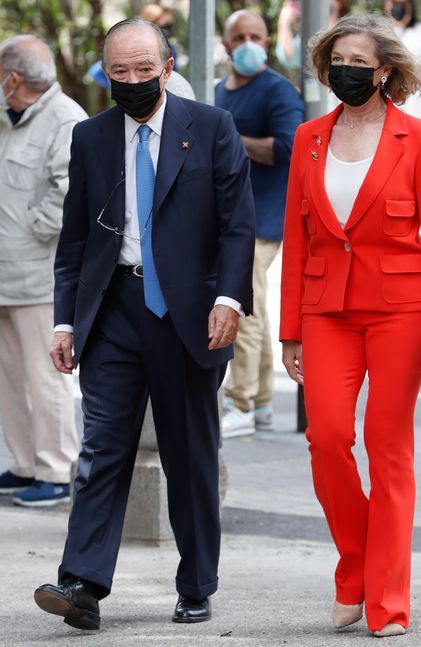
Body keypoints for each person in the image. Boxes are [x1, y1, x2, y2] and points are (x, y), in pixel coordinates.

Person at [33, 18, 255, 630]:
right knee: (102, 449)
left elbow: (238, 226)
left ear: (168, 67)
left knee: (190, 454)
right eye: (118, 72)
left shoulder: (211, 128)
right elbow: (74, 238)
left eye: (143, 69)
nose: (131, 81)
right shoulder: (91, 136)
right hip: (113, 314)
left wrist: (230, 301)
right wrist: (64, 322)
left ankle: (196, 583)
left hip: (192, 317)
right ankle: (81, 583)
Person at [280, 13, 421, 638]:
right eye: (335, 61)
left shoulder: (419, 139)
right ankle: (355, 565)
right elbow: (298, 241)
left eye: (356, 61)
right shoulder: (308, 137)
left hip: (403, 313)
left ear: (384, 69)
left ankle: (387, 600)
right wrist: (290, 331)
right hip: (325, 311)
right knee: (326, 438)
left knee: (388, 448)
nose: (344, 70)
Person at [0, 36, 86, 506]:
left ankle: (54, 470)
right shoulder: (9, 120)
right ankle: (24, 464)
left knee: (45, 375)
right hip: (5, 276)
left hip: (38, 275)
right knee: (11, 378)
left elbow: (69, 194)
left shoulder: (64, 118)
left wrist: (29, 228)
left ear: (13, 77)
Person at [216, 9, 304, 437]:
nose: (248, 42)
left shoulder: (278, 91)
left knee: (240, 306)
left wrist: (229, 138)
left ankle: (241, 403)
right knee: (255, 308)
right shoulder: (218, 91)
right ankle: (264, 402)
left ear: (268, 42)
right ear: (226, 42)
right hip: (229, 216)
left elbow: (291, 149)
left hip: (265, 217)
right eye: (239, 36)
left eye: (256, 35)